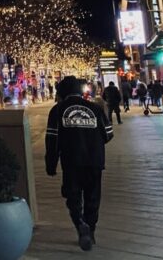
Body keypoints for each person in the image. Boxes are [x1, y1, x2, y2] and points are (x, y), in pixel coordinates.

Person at [46, 75, 113, 251]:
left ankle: (80, 223)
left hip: (71, 161)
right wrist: (94, 143)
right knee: (93, 196)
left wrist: (51, 164)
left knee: (73, 196)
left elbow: (52, 140)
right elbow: (108, 133)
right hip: (94, 160)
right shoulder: (95, 109)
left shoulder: (57, 110)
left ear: (61, 93)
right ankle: (90, 230)